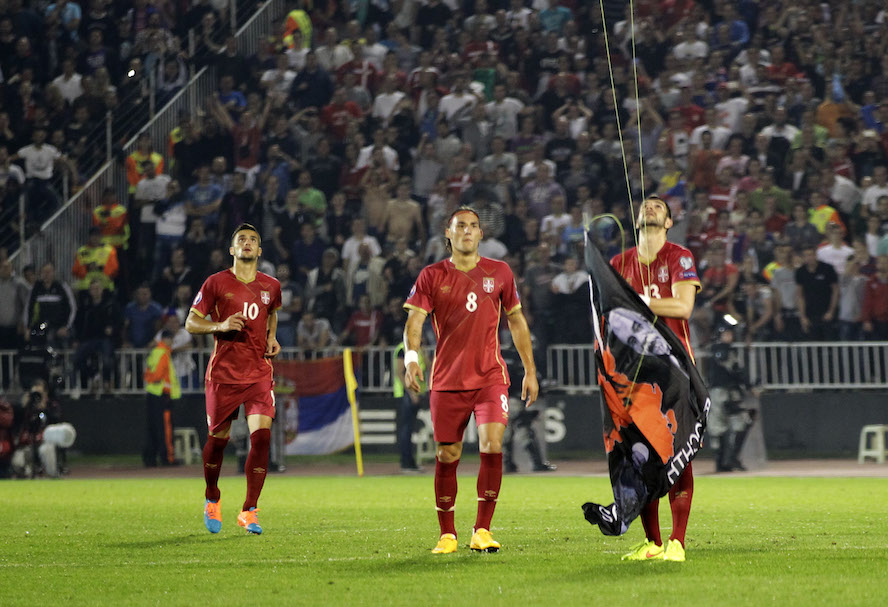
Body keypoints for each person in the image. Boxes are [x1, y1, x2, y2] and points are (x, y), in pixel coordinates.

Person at [403, 206, 539, 555]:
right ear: (447, 234)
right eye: (460, 226)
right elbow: (415, 322)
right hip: (447, 381)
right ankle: (447, 533)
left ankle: (482, 530)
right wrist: (411, 359)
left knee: (492, 444)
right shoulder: (432, 275)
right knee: (448, 454)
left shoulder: (501, 272)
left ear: (482, 235)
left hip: (490, 378)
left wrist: (530, 370)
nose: (467, 231)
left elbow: (517, 322)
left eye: (473, 226)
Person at [609, 195, 701, 563]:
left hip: (674, 369)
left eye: (658, 207)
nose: (649, 208)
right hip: (633, 373)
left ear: (668, 222)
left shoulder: (679, 257)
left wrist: (636, 303)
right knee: (640, 456)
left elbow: (682, 307)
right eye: (644, 205)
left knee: (678, 453)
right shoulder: (619, 262)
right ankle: (653, 543)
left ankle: (677, 542)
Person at [185, 223, 282, 535]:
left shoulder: (271, 285)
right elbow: (191, 322)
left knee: (262, 437)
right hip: (224, 374)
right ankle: (212, 496)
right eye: (242, 239)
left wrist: (272, 337)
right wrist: (219, 325)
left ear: (260, 250)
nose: (248, 243)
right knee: (217, 442)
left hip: (258, 372)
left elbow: (272, 312)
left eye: (254, 239)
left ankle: (249, 509)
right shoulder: (216, 283)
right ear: (232, 249)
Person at [142, 329, 179, 467]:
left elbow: (147, 374)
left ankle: (150, 458)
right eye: (171, 340)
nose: (172, 342)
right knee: (165, 428)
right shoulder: (163, 353)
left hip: (152, 394)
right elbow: (158, 376)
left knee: (152, 428)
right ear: (166, 339)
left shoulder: (155, 353)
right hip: (162, 395)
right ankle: (166, 458)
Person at [394, 340, 428, 473]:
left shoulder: (417, 350)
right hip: (406, 394)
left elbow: (428, 366)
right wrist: (411, 393)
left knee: (410, 428)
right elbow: (399, 372)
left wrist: (424, 353)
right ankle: (406, 463)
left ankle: (411, 462)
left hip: (416, 394)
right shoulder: (403, 349)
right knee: (406, 429)